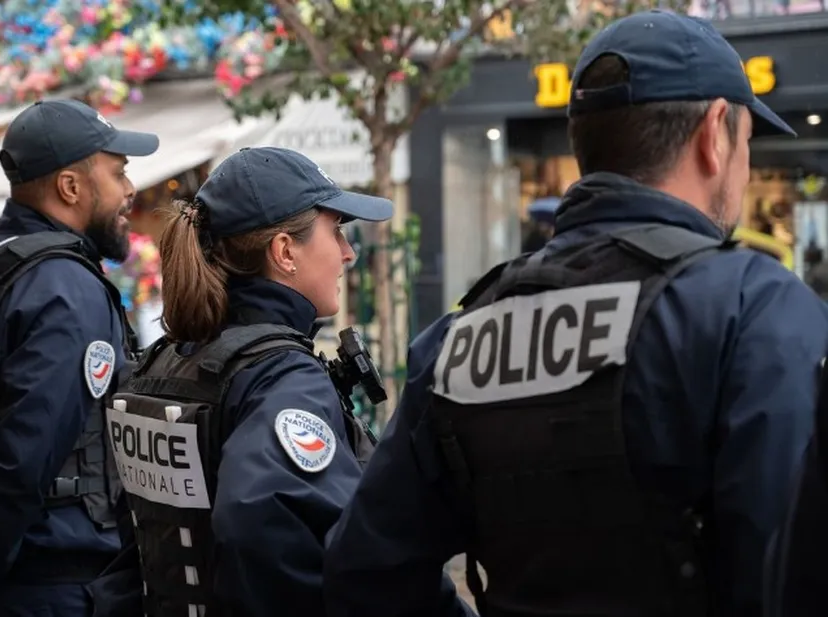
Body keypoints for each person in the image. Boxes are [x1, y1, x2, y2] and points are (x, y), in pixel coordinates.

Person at [323, 10, 828, 617]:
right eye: (748, 141)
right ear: (716, 134)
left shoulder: (458, 338)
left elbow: (365, 571)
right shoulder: (755, 311)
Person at [105, 146, 473, 617]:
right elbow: (263, 529)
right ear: (284, 252)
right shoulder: (280, 377)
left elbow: (131, 545)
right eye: (336, 231)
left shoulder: (162, 364)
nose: (348, 253)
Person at [0, 98, 158, 617]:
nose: (130, 190)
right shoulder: (65, 288)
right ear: (71, 186)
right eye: (118, 173)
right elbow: (22, 455)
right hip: (44, 585)